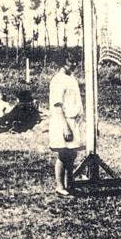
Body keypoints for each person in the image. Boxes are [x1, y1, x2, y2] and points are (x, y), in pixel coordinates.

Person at [49, 55, 84, 196]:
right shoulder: (58, 80)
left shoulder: (71, 78)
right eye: (71, 61)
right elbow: (57, 105)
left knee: (72, 153)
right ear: (63, 62)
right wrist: (65, 127)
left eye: (76, 61)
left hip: (74, 120)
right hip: (63, 120)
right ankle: (59, 186)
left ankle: (70, 183)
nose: (74, 64)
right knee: (63, 154)